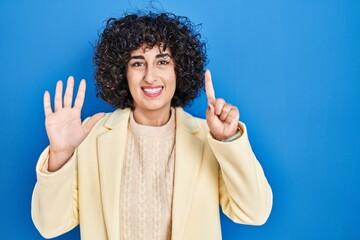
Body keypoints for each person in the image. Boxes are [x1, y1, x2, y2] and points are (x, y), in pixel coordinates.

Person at [31, 11, 273, 240]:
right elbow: (50, 226)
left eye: (162, 62)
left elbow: (255, 212)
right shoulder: (90, 136)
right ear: (122, 72)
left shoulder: (207, 137)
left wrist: (227, 140)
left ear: (179, 70)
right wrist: (60, 154)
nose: (150, 76)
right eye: (137, 63)